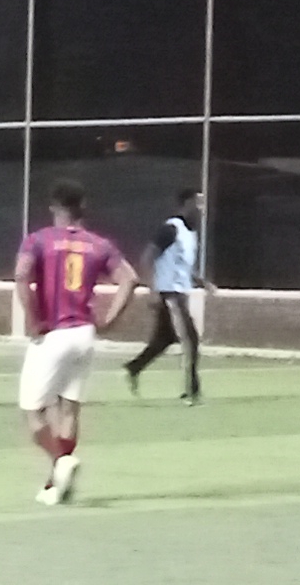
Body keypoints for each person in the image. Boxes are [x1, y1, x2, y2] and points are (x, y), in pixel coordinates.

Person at [10, 180, 143, 505]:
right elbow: (129, 279)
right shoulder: (99, 244)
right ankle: (56, 486)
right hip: (84, 333)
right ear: (82, 208)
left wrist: (32, 318)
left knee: (33, 412)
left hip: (52, 333)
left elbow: (21, 275)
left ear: (54, 207)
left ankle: (61, 461)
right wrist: (109, 319)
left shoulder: (38, 240)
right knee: (69, 408)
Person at [124, 188, 204, 402]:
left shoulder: (190, 232)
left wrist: (201, 281)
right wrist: (152, 290)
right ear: (187, 203)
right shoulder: (171, 229)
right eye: (198, 202)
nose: (201, 208)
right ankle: (192, 390)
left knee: (164, 339)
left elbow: (181, 266)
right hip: (170, 294)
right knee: (190, 339)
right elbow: (147, 257)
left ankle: (134, 367)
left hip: (180, 292)